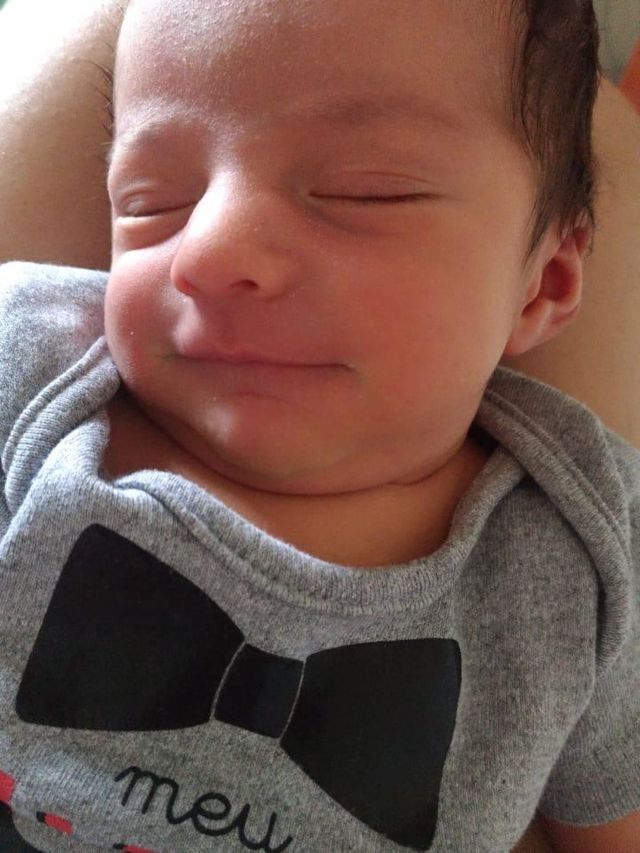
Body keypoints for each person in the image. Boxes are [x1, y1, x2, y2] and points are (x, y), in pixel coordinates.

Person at [0, 1, 638, 851]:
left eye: (363, 190)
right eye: (152, 202)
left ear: (542, 284)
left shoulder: (588, 555)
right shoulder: (32, 366)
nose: (210, 253)